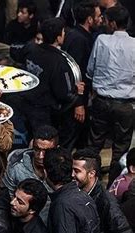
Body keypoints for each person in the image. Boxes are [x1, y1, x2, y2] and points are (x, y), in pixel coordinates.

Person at [11, 18, 85, 139]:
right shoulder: (59, 62)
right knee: (42, 140)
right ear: (58, 38)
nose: (64, 34)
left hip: (24, 102)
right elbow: (63, 93)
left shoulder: (31, 48)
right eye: (63, 32)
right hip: (43, 111)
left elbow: (16, 55)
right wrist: (77, 91)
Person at [86, 5, 135, 185]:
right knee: (120, 149)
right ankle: (112, 187)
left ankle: (88, 181)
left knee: (94, 143)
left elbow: (90, 69)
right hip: (125, 105)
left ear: (113, 24)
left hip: (102, 101)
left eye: (106, 21)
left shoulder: (101, 40)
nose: (104, 24)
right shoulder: (134, 45)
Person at [61, 1, 102, 150]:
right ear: (89, 19)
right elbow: (74, 72)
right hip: (75, 100)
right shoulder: (80, 40)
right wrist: (78, 104)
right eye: (98, 16)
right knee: (69, 140)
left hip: (76, 98)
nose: (101, 19)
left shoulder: (76, 34)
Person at [3, 124, 58, 194]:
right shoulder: (16, 164)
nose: (40, 156)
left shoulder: (63, 167)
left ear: (56, 150)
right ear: (32, 144)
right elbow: (6, 195)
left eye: (47, 151)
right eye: (37, 149)